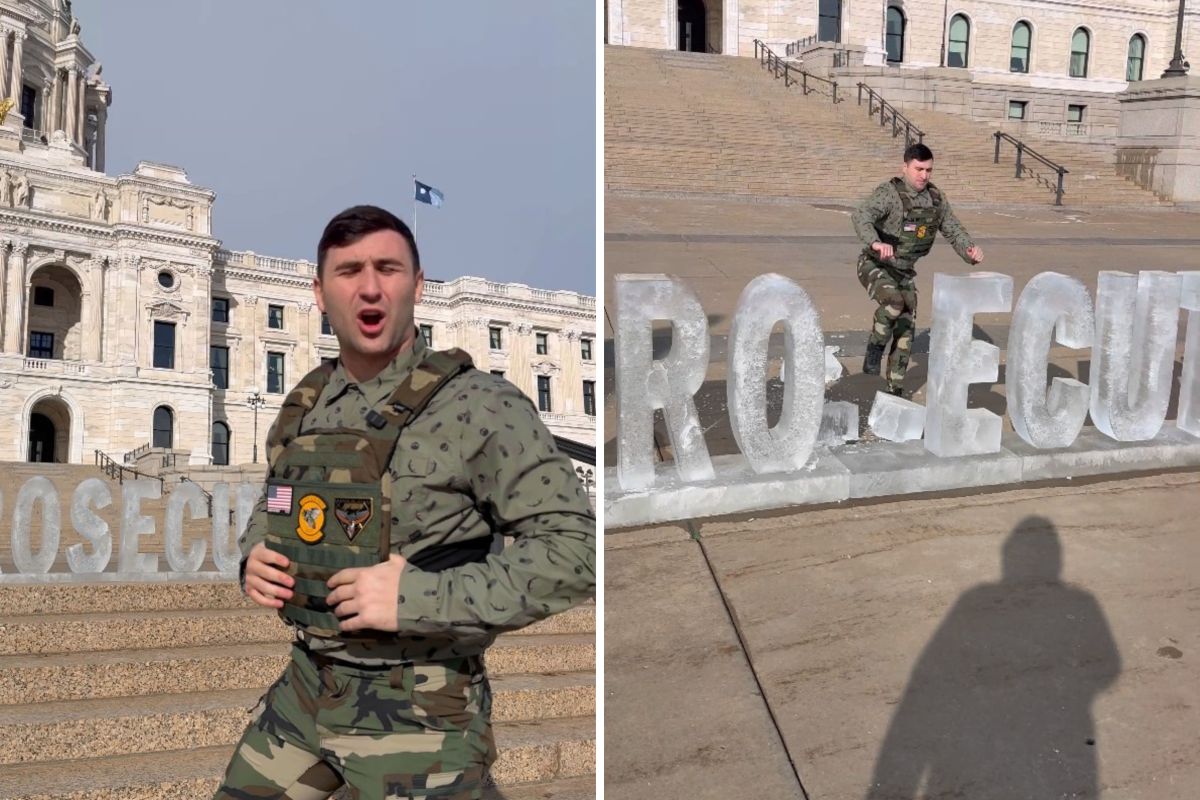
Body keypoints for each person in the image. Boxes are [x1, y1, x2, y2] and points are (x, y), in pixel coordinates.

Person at [214, 205, 596, 800]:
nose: (369, 287)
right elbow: (279, 498)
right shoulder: (306, 402)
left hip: (420, 710)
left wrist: (414, 598)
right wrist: (254, 551)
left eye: (388, 268)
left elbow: (576, 553)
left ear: (417, 286)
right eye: (348, 271)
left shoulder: (480, 405)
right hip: (307, 691)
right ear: (319, 292)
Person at [852, 143, 983, 396]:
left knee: (905, 332)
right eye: (918, 169)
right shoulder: (889, 193)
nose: (924, 175)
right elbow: (861, 216)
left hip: (904, 271)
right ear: (905, 167)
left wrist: (969, 250)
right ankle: (875, 346)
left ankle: (894, 389)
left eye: (929, 170)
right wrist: (875, 242)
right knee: (893, 302)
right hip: (874, 264)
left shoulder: (935, 198)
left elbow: (952, 228)